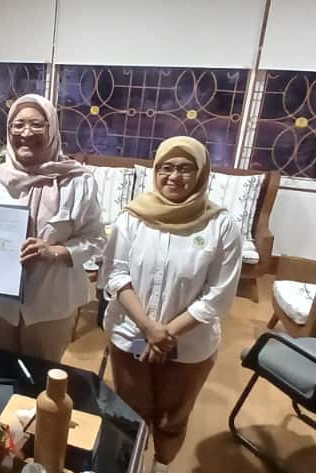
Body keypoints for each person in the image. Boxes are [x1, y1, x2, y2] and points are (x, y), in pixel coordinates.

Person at [102, 136, 242, 473]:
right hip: (131, 334)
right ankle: (129, 465)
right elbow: (116, 274)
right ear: (155, 171)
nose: (174, 176)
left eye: (185, 169)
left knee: (171, 417)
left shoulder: (221, 226)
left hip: (189, 344)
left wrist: (166, 334)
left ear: (201, 174)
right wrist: (149, 328)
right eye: (166, 167)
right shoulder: (132, 217)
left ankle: (160, 465)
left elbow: (218, 295)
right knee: (130, 411)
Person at [0, 94, 104, 363]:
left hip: (51, 304)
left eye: (36, 124)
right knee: (0, 369)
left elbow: (96, 238)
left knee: (40, 375)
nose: (26, 133)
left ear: (51, 129)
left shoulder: (78, 183)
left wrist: (54, 252)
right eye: (18, 125)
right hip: (0, 303)